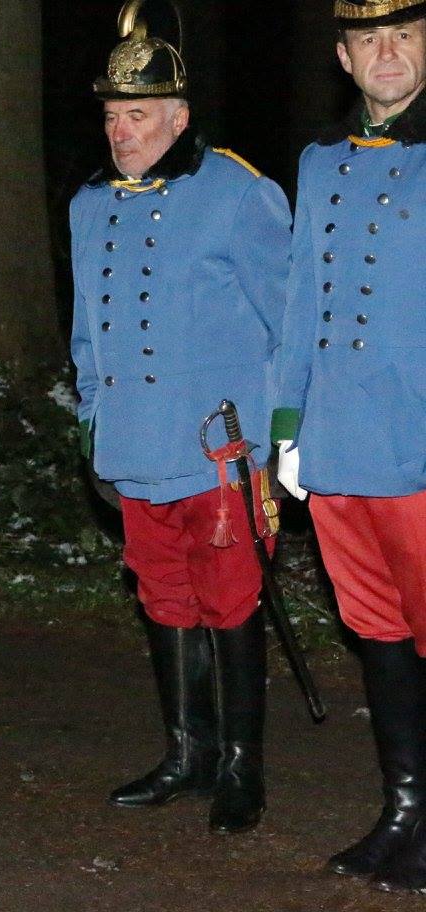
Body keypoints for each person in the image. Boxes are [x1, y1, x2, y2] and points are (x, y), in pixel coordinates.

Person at [69, 0, 291, 834]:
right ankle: (186, 755)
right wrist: (93, 419)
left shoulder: (239, 193)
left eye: (137, 115)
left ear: (179, 116)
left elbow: (285, 321)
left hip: (218, 446)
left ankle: (241, 767)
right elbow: (86, 332)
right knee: (163, 598)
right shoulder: (89, 205)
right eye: (111, 116)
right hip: (135, 441)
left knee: (230, 600)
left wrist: (279, 438)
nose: (120, 132)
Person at [274, 0, 426, 892]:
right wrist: (287, 425)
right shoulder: (320, 161)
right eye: (369, 38)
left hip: (414, 438)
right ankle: (405, 810)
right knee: (377, 630)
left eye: (404, 34)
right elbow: (300, 297)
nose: (387, 52)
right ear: (343, 56)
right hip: (334, 441)